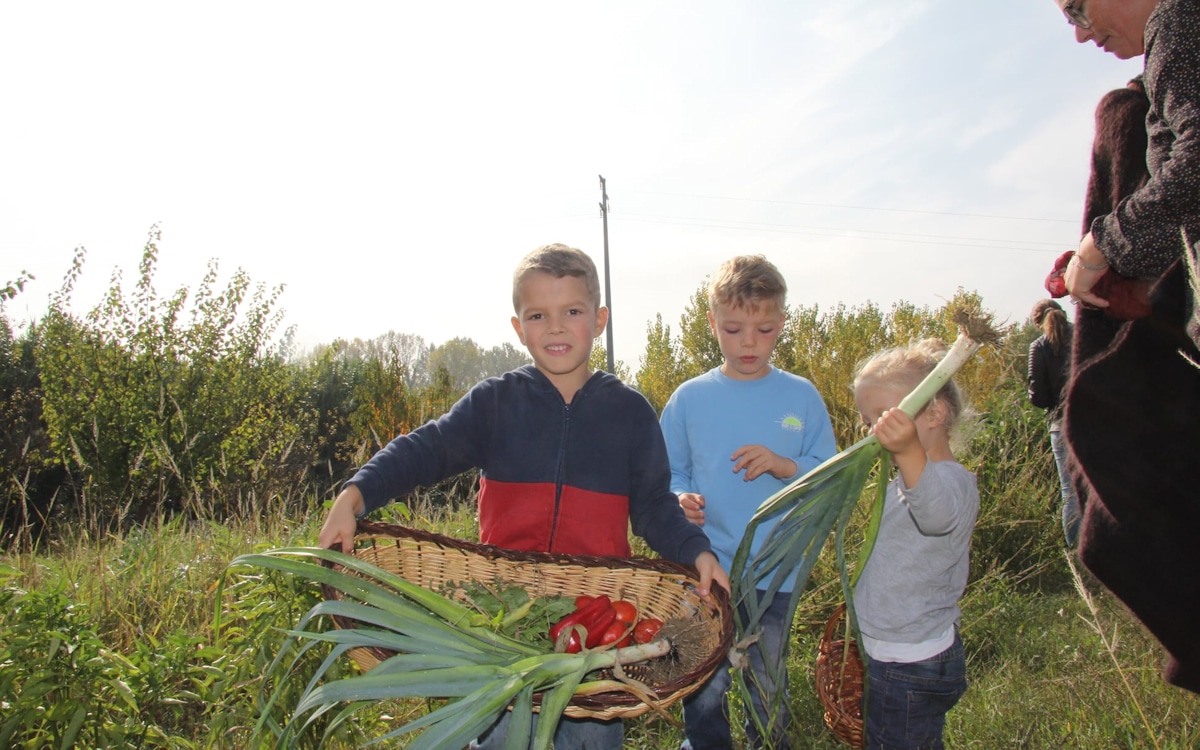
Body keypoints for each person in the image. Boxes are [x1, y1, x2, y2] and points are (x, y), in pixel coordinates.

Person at [318, 243, 730, 749]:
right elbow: (426, 450)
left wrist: (696, 551)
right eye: (538, 315)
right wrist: (354, 496)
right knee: (499, 736)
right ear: (518, 327)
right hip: (500, 615)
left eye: (572, 312)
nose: (556, 327)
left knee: (591, 739)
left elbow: (652, 506)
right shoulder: (495, 404)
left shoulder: (629, 413)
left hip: (592, 623)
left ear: (599, 320)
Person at [1052, 0, 1200, 694]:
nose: (1080, 32)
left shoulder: (1182, 19)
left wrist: (1104, 241)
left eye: (1077, 7)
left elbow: (1196, 167)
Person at [660, 255, 837, 750]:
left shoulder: (800, 396)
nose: (748, 343)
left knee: (766, 681)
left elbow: (830, 470)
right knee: (703, 683)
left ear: (781, 323)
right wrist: (680, 498)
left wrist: (785, 465)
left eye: (762, 329)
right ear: (713, 323)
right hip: (705, 567)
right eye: (734, 329)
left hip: (776, 571)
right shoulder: (691, 398)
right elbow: (667, 472)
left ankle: (767, 742)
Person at [851, 339, 978, 750]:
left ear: (935, 412)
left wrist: (907, 451)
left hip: (909, 661)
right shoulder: (908, 479)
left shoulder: (949, 481)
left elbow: (936, 514)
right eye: (868, 420)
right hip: (902, 653)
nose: (874, 430)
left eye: (885, 417)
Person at [1026, 299, 1081, 547]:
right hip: (1094, 418)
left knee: (1070, 491)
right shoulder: (1083, 333)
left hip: (1061, 422)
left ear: (1038, 323)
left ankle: (1076, 551)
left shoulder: (1039, 347)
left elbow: (1037, 397)